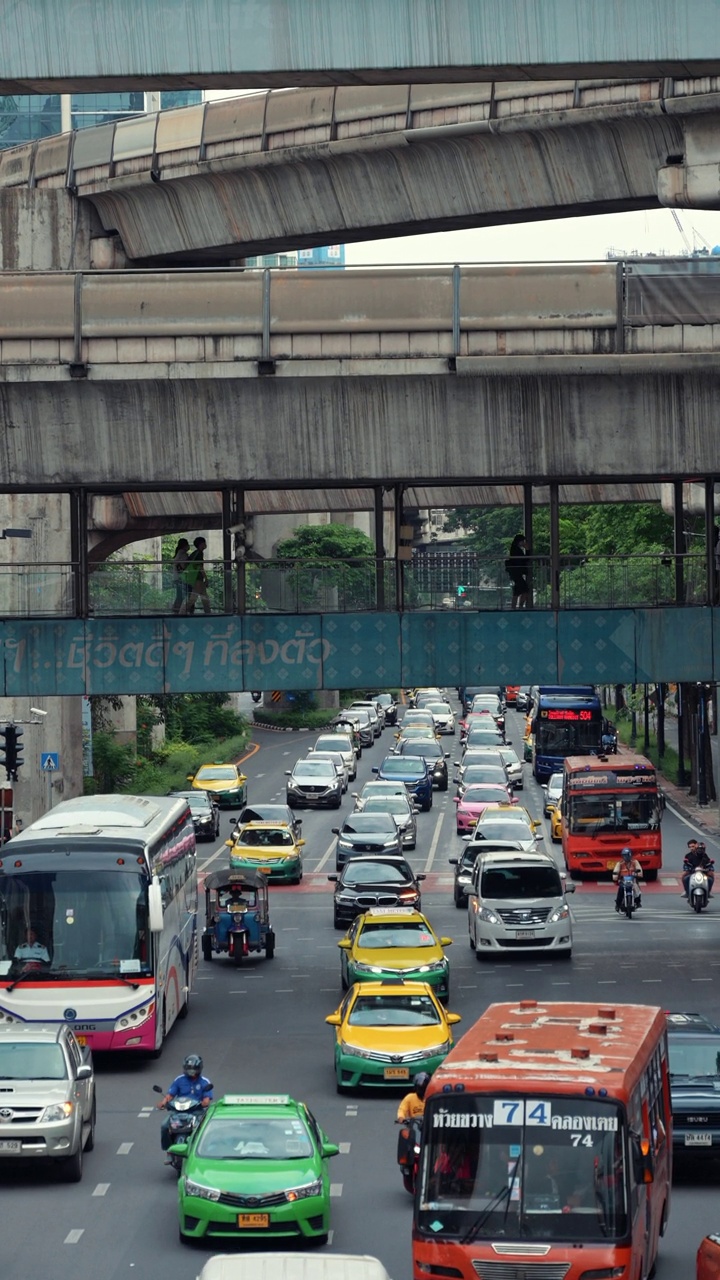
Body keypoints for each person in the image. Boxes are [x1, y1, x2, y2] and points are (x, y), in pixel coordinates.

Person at [156, 1053, 213, 1157]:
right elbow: (170, 1095)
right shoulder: (179, 1080)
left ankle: (203, 1152)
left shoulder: (205, 1082)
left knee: (205, 1129)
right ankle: (168, 1150)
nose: (191, 1071)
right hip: (179, 1110)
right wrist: (163, 1103)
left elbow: (206, 1100)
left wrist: (204, 1103)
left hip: (196, 1111)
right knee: (165, 1126)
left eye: (194, 1068)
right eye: (189, 1068)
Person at [179, 536, 211, 615]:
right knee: (194, 598)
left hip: (196, 579)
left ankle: (208, 613)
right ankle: (182, 612)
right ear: (201, 544)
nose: (205, 544)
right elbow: (200, 567)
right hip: (198, 579)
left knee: (204, 598)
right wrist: (206, 578)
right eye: (204, 543)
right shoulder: (199, 553)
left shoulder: (195, 553)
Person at [612, 847, 643, 912]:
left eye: (626, 855)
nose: (625, 857)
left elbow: (639, 870)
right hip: (623, 881)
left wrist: (638, 873)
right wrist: (615, 876)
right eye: (624, 855)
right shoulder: (620, 863)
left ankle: (638, 902)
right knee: (620, 889)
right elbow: (616, 871)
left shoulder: (635, 862)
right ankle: (618, 904)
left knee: (637, 889)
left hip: (632, 880)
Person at [505, 535, 530, 609]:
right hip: (517, 573)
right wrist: (527, 550)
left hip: (515, 573)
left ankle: (514, 607)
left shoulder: (514, 549)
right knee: (524, 590)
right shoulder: (516, 550)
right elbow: (525, 560)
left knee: (517, 591)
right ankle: (520, 606)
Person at [170, 538, 190, 614]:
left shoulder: (178, 553)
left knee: (179, 595)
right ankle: (176, 611)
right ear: (184, 545)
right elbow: (183, 565)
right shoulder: (182, 554)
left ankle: (176, 610)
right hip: (181, 578)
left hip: (177, 577)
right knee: (180, 595)